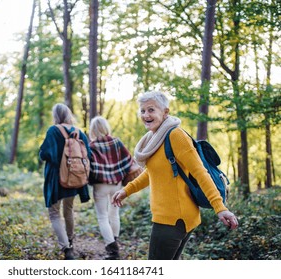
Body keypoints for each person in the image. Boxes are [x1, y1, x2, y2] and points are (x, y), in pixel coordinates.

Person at [112, 91, 239, 260]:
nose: (145, 115)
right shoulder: (156, 138)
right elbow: (153, 173)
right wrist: (126, 191)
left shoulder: (175, 136)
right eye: (142, 111)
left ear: (165, 112)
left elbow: (201, 173)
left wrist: (220, 208)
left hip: (172, 220)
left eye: (151, 110)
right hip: (171, 217)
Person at [39, 103, 91, 260]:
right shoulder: (79, 133)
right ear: (68, 114)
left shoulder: (53, 131)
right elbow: (88, 154)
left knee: (54, 213)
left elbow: (45, 154)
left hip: (56, 179)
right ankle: (71, 241)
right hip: (75, 178)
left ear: (56, 115)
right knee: (69, 210)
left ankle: (66, 249)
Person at [89, 116, 133, 260]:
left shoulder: (92, 146)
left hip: (100, 185)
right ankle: (115, 242)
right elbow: (129, 161)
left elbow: (89, 168)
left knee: (102, 217)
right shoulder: (116, 142)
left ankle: (113, 251)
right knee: (114, 214)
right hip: (116, 184)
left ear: (93, 129)